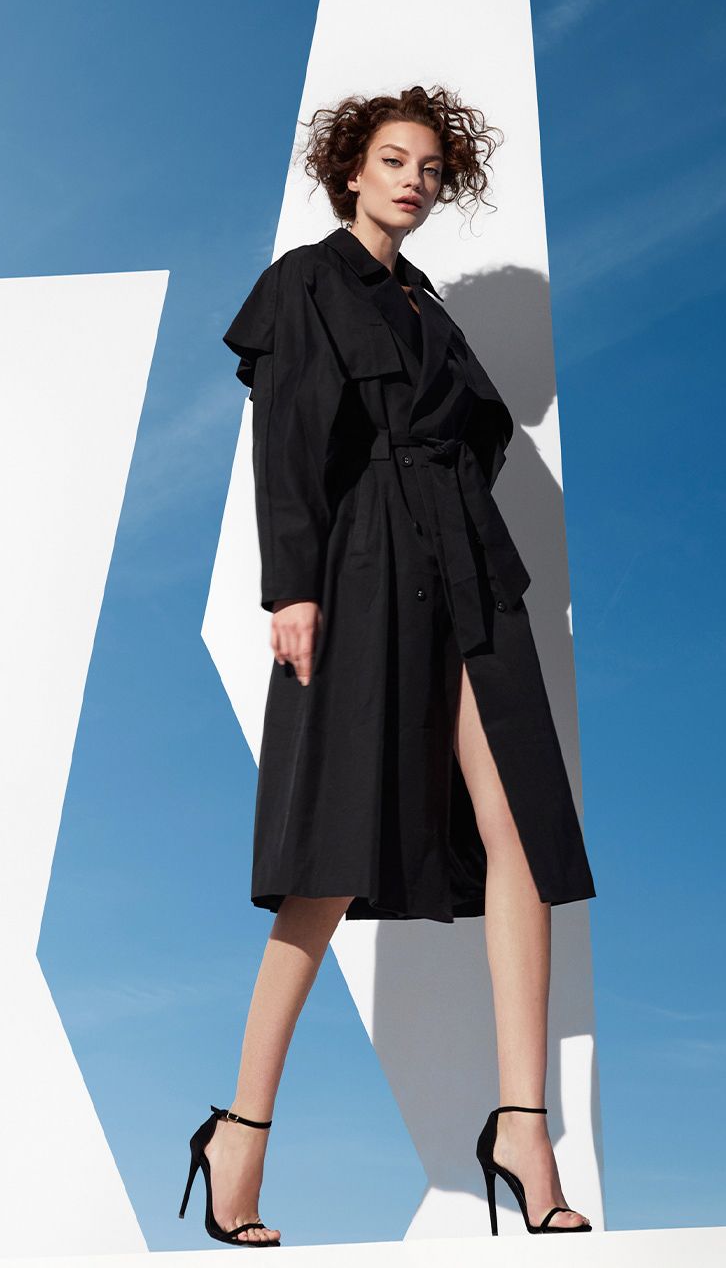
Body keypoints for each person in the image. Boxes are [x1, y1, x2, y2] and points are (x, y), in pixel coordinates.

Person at [178, 86, 596, 1246]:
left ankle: (524, 1129)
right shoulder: (307, 282)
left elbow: (480, 435)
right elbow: (287, 437)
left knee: (522, 832)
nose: (414, 180)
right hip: (363, 571)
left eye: (431, 168)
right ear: (351, 172)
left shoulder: (427, 308)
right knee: (327, 857)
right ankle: (240, 1131)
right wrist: (292, 587)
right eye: (395, 160)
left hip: (469, 568)